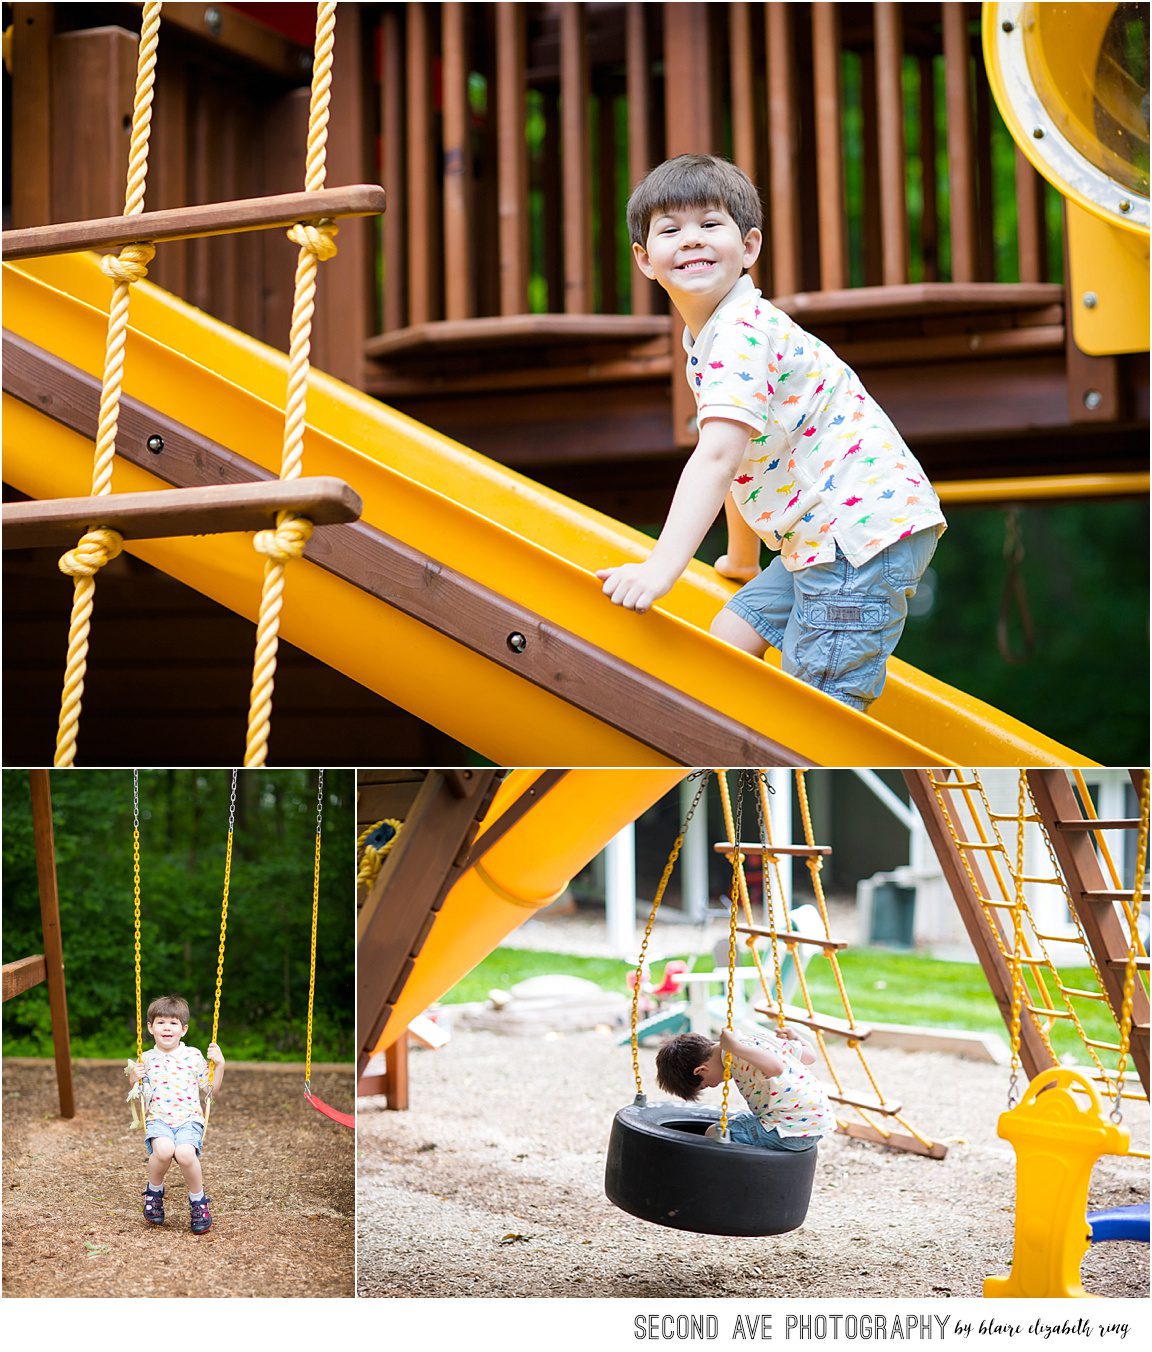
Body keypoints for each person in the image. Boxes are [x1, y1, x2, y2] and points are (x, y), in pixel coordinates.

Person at [597, 154, 946, 713]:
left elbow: (715, 458)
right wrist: (740, 559)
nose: (691, 240)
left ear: (750, 247)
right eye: (671, 230)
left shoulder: (741, 335)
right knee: (731, 640)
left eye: (710, 225)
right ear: (645, 259)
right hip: (825, 540)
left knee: (815, 705)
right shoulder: (715, 339)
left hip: (855, 539)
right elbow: (743, 458)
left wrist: (662, 567)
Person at [127, 994, 225, 1233]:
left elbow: (210, 1089)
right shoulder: (146, 1058)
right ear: (151, 1028)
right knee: (163, 1151)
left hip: (189, 1119)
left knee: (184, 1154)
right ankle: (154, 1192)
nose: (167, 1028)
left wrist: (220, 1065)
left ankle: (198, 1201)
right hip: (158, 1118)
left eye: (173, 1023)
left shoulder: (192, 1056)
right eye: (161, 1023)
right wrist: (134, 1076)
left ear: (183, 1029)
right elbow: (137, 1089)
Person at [655, 1025, 834, 1151]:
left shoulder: (738, 1053)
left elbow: (775, 1068)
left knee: (714, 1133)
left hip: (790, 1131)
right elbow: (810, 1056)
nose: (716, 1085)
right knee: (740, 1120)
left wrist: (735, 1048)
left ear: (701, 1070)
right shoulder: (756, 1040)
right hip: (814, 1122)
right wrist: (795, 1038)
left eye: (707, 1084)